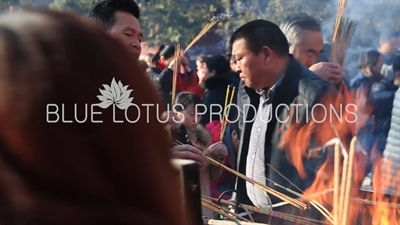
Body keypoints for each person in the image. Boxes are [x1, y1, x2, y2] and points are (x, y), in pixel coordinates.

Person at [0, 9, 189, 225]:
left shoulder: (131, 93)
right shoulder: (74, 89)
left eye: (139, 37)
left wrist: (163, 157)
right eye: (128, 34)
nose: (137, 44)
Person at [230, 19, 340, 213]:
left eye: (239, 58)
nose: (236, 67)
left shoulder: (316, 95)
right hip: (250, 211)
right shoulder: (247, 88)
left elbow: (335, 169)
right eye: (309, 52)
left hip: (295, 218)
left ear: (266, 55)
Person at [200, 54, 237, 125]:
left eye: (206, 68)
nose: (204, 72)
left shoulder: (212, 94)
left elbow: (206, 119)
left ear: (213, 72)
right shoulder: (233, 88)